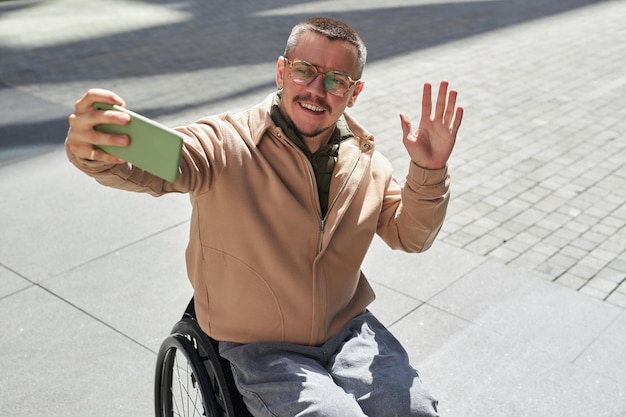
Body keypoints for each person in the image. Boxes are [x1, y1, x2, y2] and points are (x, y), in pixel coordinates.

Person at [66, 17, 463, 417]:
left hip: (347, 331)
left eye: (336, 80)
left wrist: (428, 172)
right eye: (304, 71)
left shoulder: (368, 163)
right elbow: (171, 158)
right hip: (261, 344)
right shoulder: (227, 144)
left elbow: (412, 236)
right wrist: (101, 147)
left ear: (354, 92)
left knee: (415, 410)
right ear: (281, 71)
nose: (315, 90)